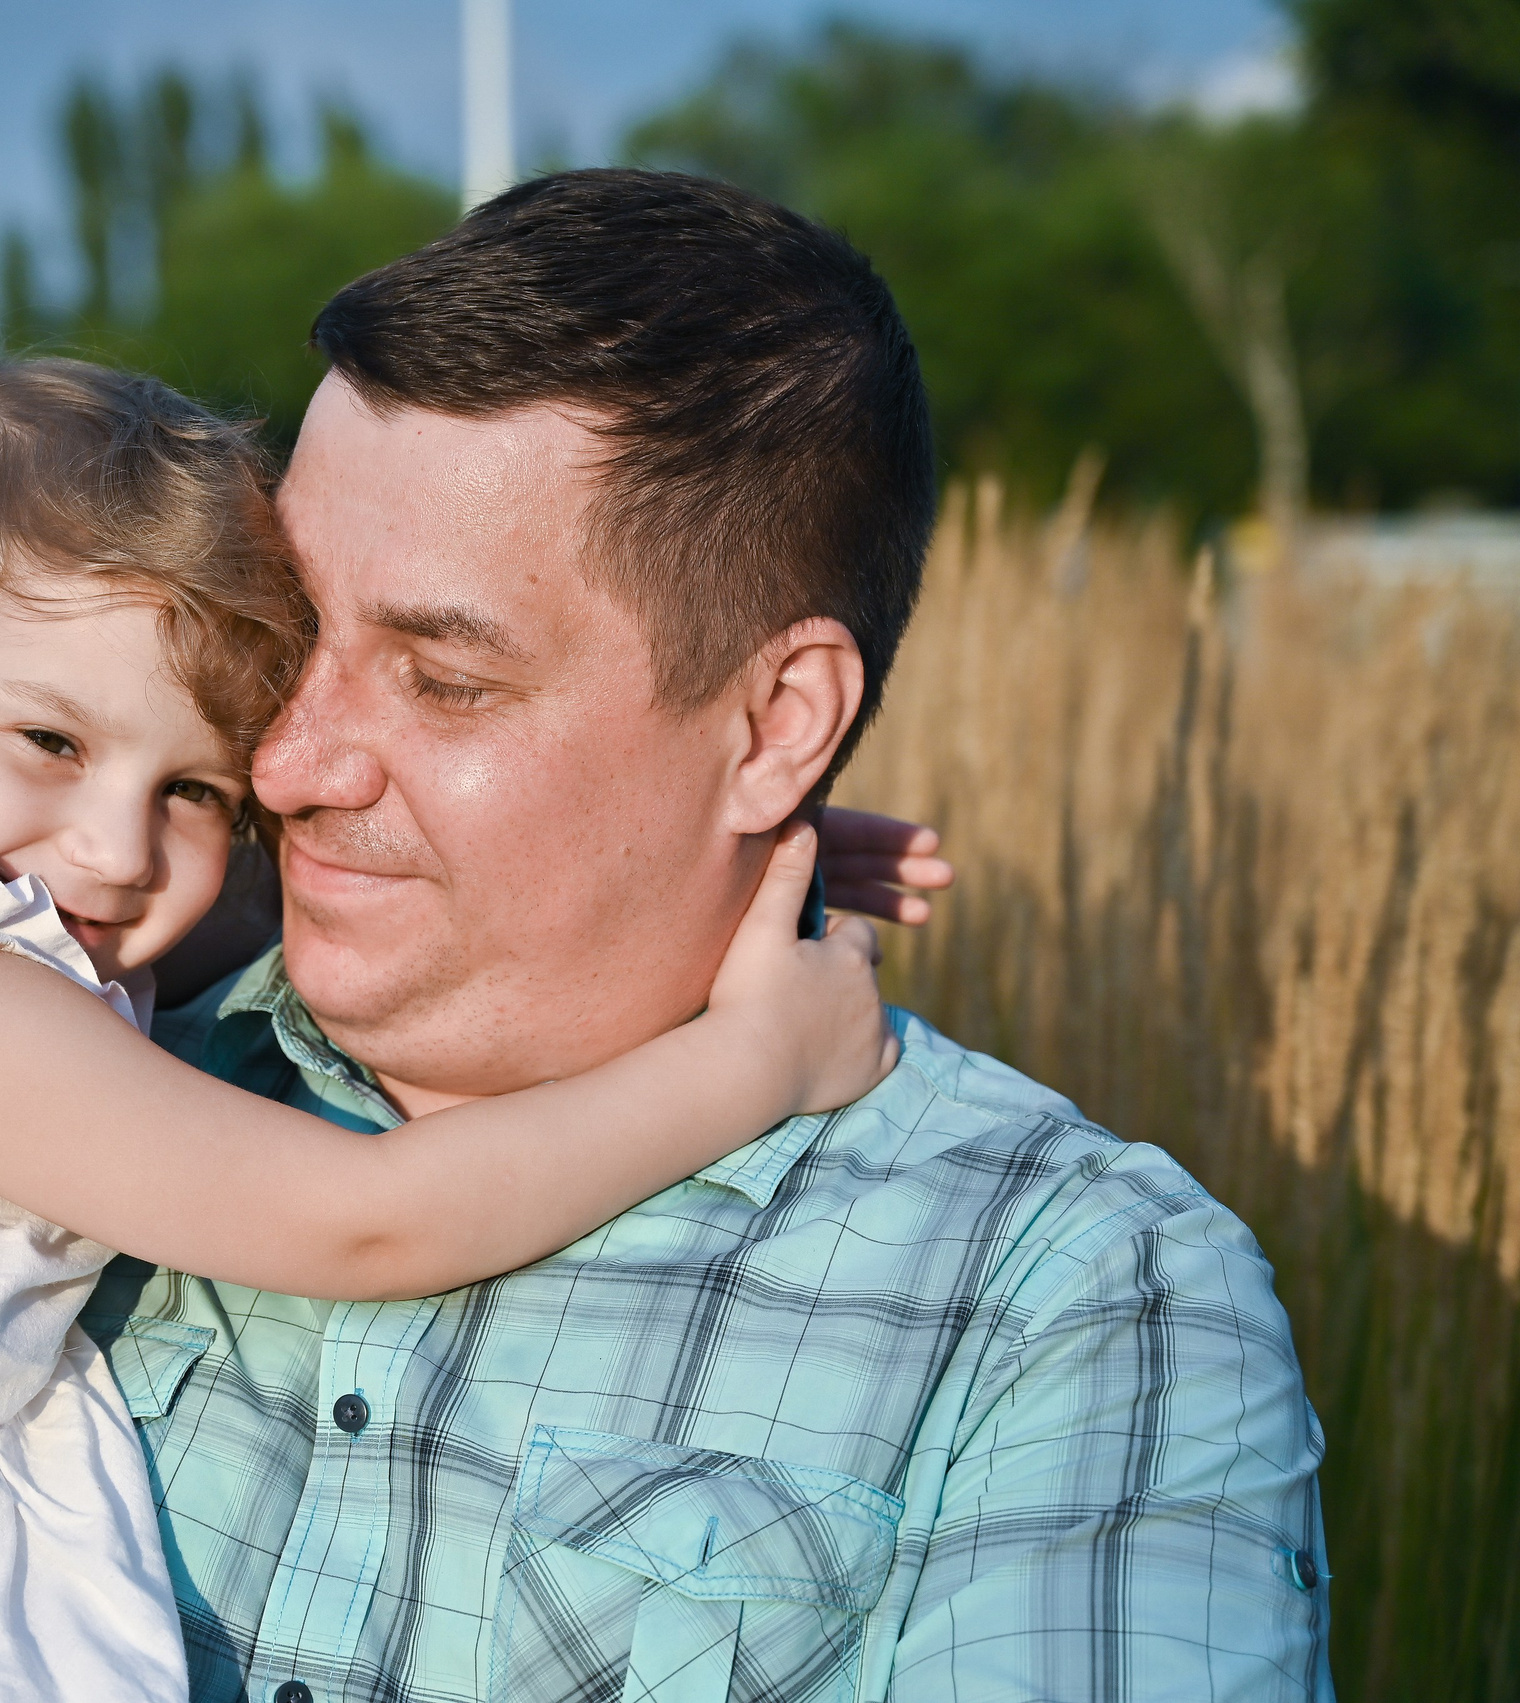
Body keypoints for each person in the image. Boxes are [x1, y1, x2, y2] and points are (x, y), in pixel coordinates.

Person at [0, 359, 926, 1703]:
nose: (122, 854)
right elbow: (363, 1224)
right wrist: (751, 1064)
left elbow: (337, 919)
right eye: (50, 742)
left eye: (194, 792)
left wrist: (668, 836)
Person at [86, 170, 1333, 1702]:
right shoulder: (79, 1071)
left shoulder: (1070, 1305)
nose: (288, 765)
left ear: (775, 725)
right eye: (284, 640)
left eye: (450, 684)